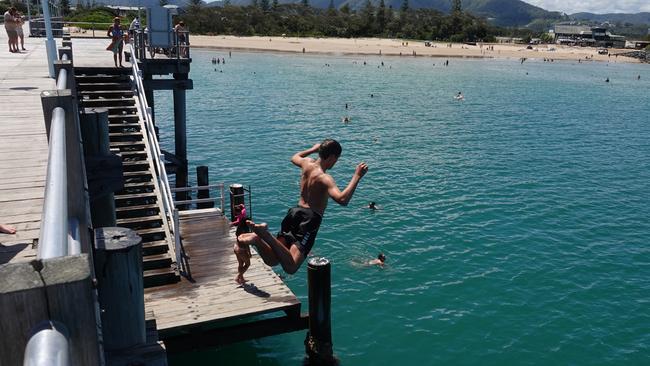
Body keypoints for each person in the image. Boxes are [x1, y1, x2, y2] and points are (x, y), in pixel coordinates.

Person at [238, 139, 368, 274]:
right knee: (291, 267)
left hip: (294, 212)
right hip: (309, 219)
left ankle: (257, 240)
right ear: (331, 157)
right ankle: (266, 235)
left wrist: (312, 149)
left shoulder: (307, 163)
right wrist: (357, 176)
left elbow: (294, 157)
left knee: (273, 260)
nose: (335, 162)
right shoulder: (325, 178)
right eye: (336, 159)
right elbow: (342, 199)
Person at [231, 204, 251, 284]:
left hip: (236, 247)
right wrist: (249, 252)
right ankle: (238, 277)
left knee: (241, 264)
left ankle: (241, 279)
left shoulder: (239, 229)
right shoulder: (245, 231)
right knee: (248, 264)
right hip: (241, 249)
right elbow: (246, 244)